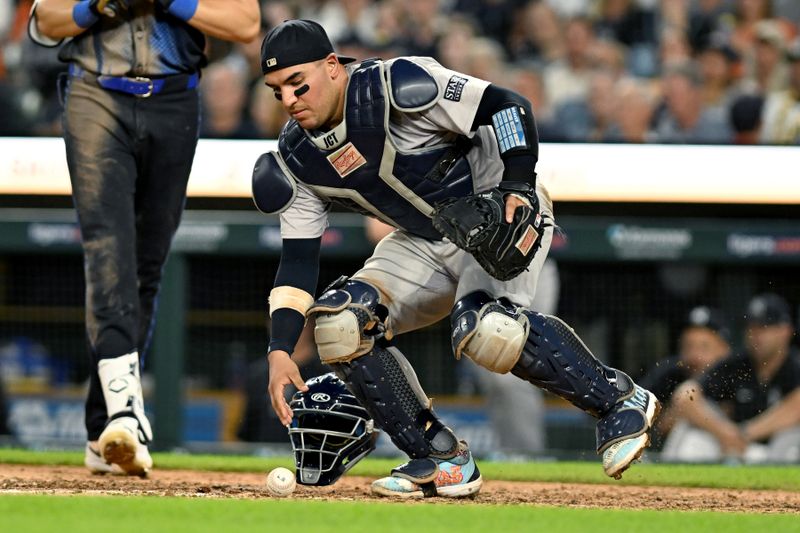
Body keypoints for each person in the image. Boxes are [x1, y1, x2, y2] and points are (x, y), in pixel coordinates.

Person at [255, 19, 660, 499]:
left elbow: (508, 106)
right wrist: (279, 349)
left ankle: (618, 400)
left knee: (489, 329)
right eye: (276, 90)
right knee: (339, 325)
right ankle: (440, 458)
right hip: (422, 239)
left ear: (331, 67)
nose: (289, 99)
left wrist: (517, 184)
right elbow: (298, 263)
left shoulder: (399, 84)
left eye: (297, 84)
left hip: (495, 208)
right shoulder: (295, 160)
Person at [28, 0, 259, 476]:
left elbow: (246, 22)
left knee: (146, 265)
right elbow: (45, 23)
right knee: (107, 247)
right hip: (95, 92)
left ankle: (102, 431)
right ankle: (127, 414)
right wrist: (96, 5)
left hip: (175, 98)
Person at [665, 293, 800, 463]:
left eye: (765, 327)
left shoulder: (794, 366)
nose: (756, 334)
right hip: (734, 449)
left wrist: (745, 433)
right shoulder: (736, 365)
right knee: (688, 430)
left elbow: (797, 407)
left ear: (785, 331)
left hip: (778, 453)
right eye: (752, 327)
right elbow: (684, 396)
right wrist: (725, 432)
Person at [638, 306, 732, 448]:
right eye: (688, 346)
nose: (695, 356)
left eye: (704, 347)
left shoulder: (738, 374)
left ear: (724, 350)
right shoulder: (669, 374)